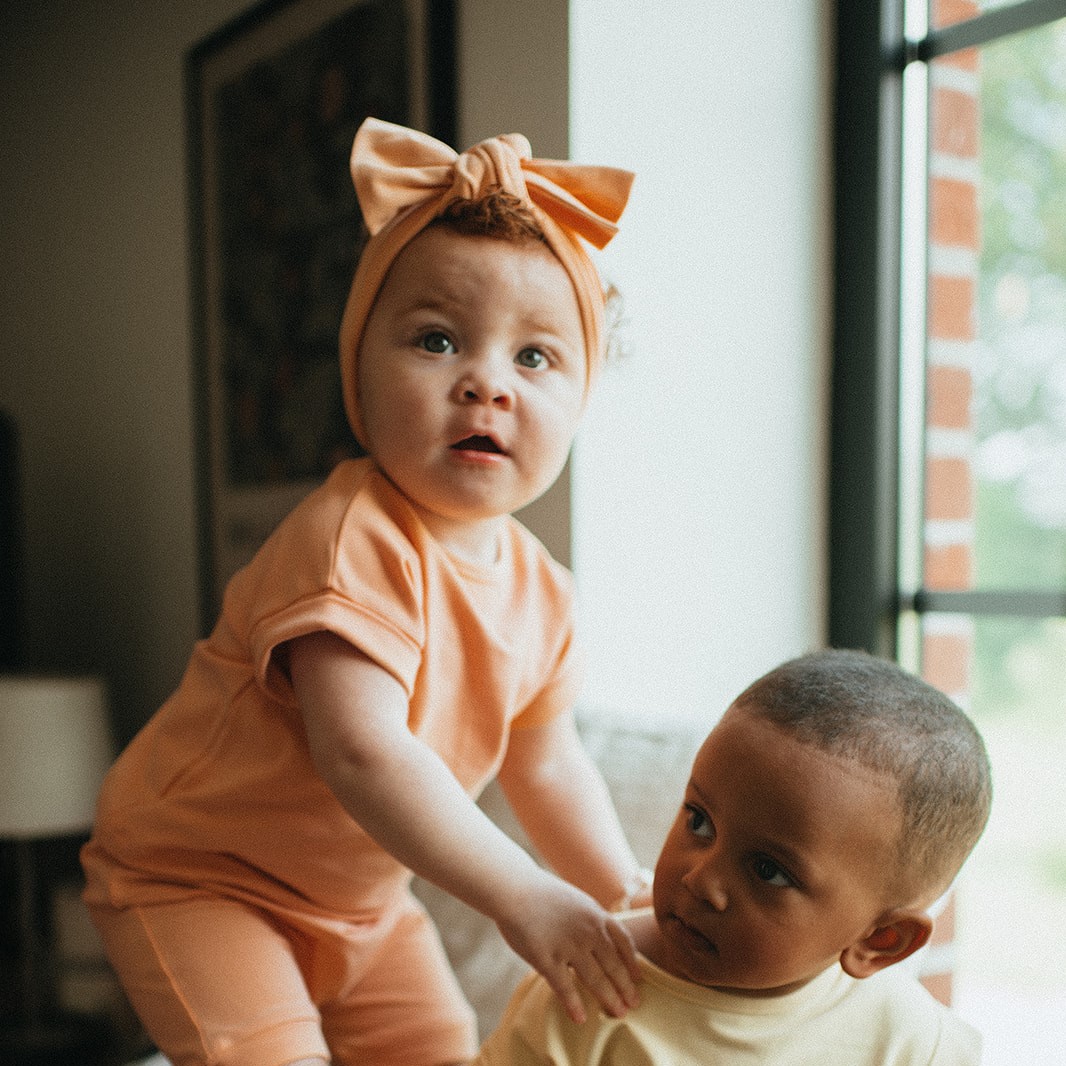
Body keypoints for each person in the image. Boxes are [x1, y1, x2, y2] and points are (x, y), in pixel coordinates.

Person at [81, 117, 652, 1066]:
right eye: (437, 341)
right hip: (197, 879)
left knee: (443, 1049)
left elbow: (547, 766)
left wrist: (614, 892)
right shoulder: (351, 536)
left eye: (535, 356)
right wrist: (523, 896)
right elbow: (364, 752)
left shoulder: (544, 593)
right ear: (359, 371)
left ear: (581, 400)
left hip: (359, 902)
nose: (486, 385)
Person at [473, 648, 993, 1065]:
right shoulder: (584, 992)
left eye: (767, 870)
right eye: (699, 820)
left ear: (880, 941)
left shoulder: (912, 1043)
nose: (701, 880)